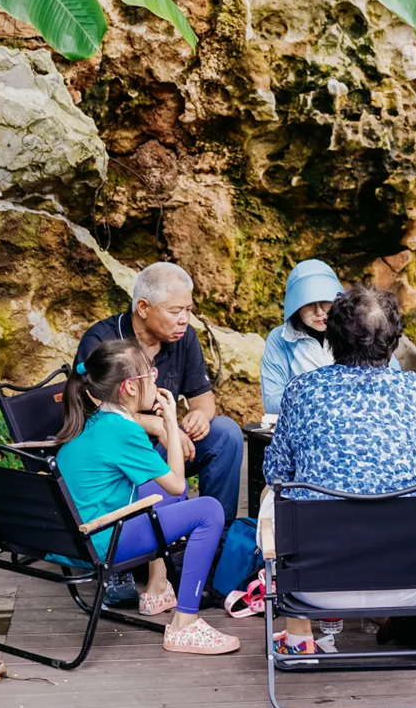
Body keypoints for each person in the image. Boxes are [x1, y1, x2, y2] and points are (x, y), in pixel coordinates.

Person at [261, 285, 416, 662]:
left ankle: (299, 639)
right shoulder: (414, 391)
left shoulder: (300, 391)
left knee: (275, 495)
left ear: (332, 338)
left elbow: (275, 472)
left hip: (314, 587)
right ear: (393, 342)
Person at [54, 339, 239, 655]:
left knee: (157, 489)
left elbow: (166, 487)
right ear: (129, 387)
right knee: (208, 511)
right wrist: (170, 423)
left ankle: (157, 590)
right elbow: (177, 484)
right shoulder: (125, 432)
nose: (156, 380)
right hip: (102, 543)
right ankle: (184, 624)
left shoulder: (91, 419)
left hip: (74, 539)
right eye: (150, 375)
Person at [76, 263, 243, 525]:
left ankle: (220, 534)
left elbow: (203, 396)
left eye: (188, 310)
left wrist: (199, 415)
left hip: (165, 448)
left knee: (226, 433)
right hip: (119, 454)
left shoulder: (184, 337)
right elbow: (93, 409)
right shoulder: (103, 341)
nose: (184, 319)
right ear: (143, 308)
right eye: (175, 311)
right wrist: (159, 425)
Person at [260, 259, 344, 414]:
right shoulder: (280, 338)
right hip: (304, 422)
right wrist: (319, 402)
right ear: (296, 306)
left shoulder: (357, 329)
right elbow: (272, 403)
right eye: (309, 303)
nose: (319, 312)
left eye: (325, 301)